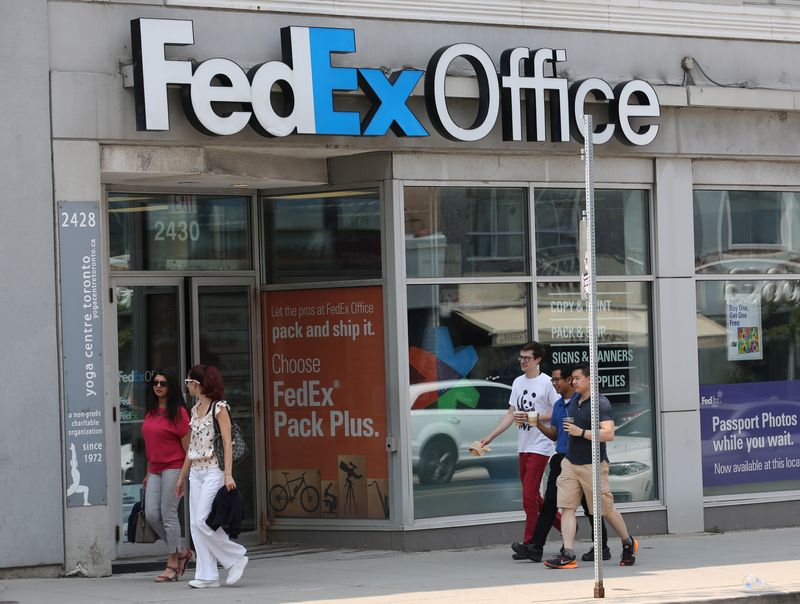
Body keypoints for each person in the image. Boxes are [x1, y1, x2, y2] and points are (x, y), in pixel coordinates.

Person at [544, 363, 638, 569]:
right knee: (567, 507)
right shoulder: (573, 401)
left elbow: (609, 433)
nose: (573, 381)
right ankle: (568, 553)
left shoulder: (600, 403)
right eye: (572, 379)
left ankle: (627, 542)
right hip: (570, 462)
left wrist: (582, 432)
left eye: (577, 378)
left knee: (606, 510)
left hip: (593, 464)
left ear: (589, 379)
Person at [515, 365, 610, 563]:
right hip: (562, 459)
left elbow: (605, 431)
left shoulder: (580, 403)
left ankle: (602, 547)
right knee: (550, 503)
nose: (554, 383)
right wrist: (538, 424)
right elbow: (556, 435)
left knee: (590, 506)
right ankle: (536, 547)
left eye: (557, 379)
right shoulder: (558, 406)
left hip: (583, 459)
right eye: (553, 380)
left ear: (569, 380)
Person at [480, 341, 557, 560]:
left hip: (541, 445)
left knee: (528, 496)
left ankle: (530, 543)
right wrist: (490, 436)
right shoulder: (517, 382)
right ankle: (559, 522)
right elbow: (511, 413)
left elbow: (558, 410)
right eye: (520, 358)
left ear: (538, 360)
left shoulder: (547, 383)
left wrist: (534, 417)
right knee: (535, 497)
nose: (522, 361)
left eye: (527, 358)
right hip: (523, 444)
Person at [176, 364, 249, 589]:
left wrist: (228, 474)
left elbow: (227, 443)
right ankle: (207, 575)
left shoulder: (219, 408)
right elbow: (192, 448)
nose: (187, 385)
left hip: (213, 471)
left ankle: (236, 557)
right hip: (196, 472)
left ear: (197, 384)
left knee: (202, 521)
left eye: (189, 381)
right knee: (196, 526)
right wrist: (182, 477)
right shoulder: (195, 409)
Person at [141, 369, 192, 582]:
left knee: (168, 512)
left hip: (174, 467)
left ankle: (172, 562)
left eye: (163, 383)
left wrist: (182, 476)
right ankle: (182, 551)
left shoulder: (179, 413)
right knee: (152, 514)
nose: (158, 386)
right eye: (155, 382)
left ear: (171, 387)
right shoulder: (151, 411)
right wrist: (146, 473)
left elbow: (189, 449)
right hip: (154, 469)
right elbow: (150, 444)